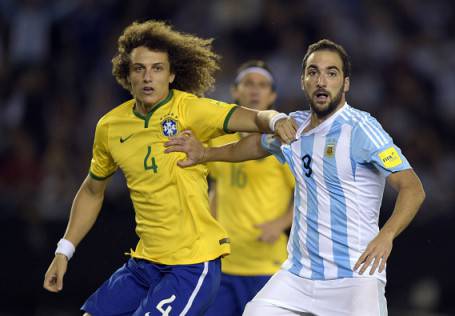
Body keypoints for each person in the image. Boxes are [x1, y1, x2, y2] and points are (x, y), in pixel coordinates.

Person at [42, 20, 296, 316]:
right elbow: (92, 190)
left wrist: (276, 120)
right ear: (127, 75)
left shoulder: (190, 109)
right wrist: (64, 250)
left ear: (172, 74)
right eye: (140, 69)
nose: (148, 77)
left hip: (192, 264)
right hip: (144, 263)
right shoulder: (110, 127)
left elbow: (253, 120)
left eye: (157, 68)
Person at [164, 39, 426, 315]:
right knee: (255, 312)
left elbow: (412, 187)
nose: (321, 80)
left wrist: (387, 235)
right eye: (313, 72)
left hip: (354, 275)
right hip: (299, 275)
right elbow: (253, 146)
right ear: (303, 81)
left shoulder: (361, 128)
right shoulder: (294, 127)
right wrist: (205, 154)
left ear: (345, 83)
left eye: (331, 73)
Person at [204, 60, 295, 316]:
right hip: (223, 262)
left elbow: (309, 196)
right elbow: (219, 186)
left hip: (266, 264)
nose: (255, 90)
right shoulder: (219, 139)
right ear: (235, 91)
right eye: (249, 84)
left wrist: (280, 224)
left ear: (272, 95)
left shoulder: (283, 144)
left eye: (263, 85)